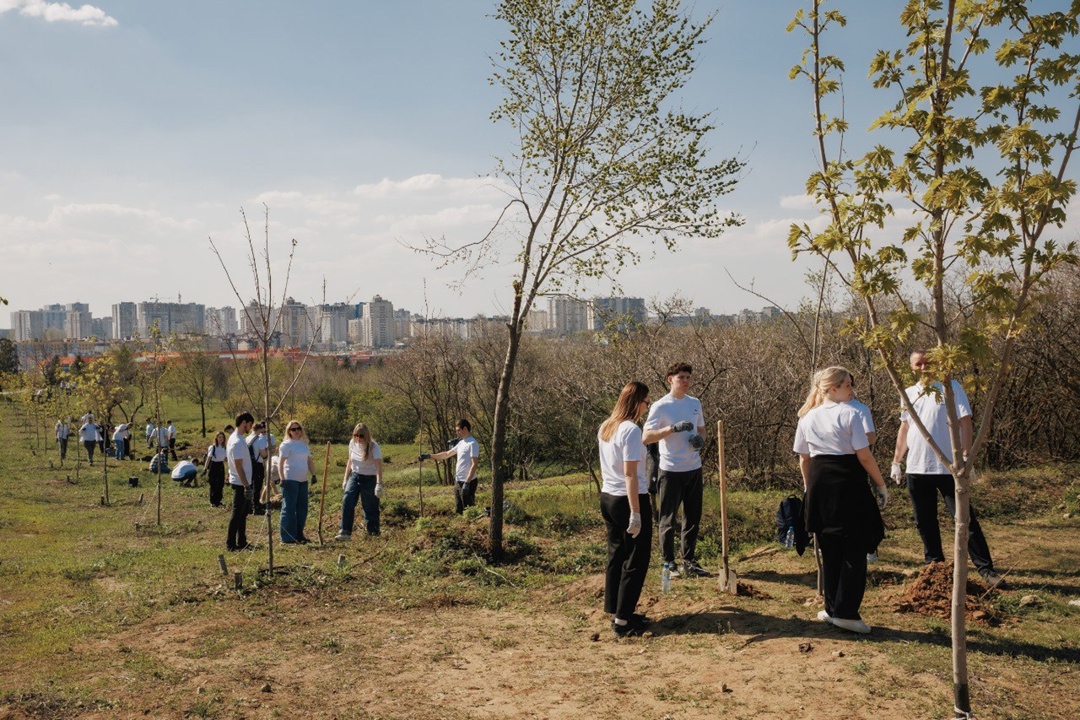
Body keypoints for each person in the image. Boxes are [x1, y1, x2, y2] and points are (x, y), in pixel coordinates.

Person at [891, 350, 1003, 587]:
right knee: (924, 519)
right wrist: (897, 461)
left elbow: (965, 421)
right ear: (912, 367)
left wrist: (966, 456)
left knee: (964, 518)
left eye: (928, 363)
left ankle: (985, 569)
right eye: (919, 364)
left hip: (948, 467)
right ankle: (935, 566)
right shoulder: (908, 393)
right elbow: (904, 429)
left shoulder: (950, 387)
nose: (924, 368)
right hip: (917, 468)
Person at [795, 367, 888, 635]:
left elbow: (804, 458)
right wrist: (881, 484)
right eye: (847, 385)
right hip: (846, 482)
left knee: (830, 547)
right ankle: (845, 612)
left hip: (819, 482)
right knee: (854, 547)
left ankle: (833, 608)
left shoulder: (807, 417)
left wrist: (808, 487)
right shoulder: (850, 413)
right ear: (832, 388)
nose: (851, 390)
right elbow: (864, 455)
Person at [642, 362, 710, 578]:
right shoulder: (661, 406)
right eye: (681, 377)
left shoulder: (695, 403)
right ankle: (669, 562)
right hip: (670, 470)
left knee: (693, 517)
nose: (686, 381)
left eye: (688, 377)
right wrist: (671, 429)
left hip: (693, 467)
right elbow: (646, 437)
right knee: (668, 519)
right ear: (670, 379)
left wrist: (700, 440)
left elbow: (702, 430)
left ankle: (689, 561)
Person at [598, 381, 654, 638]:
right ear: (637, 402)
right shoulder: (630, 430)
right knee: (636, 558)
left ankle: (617, 609)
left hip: (608, 496)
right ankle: (623, 620)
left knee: (617, 553)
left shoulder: (607, 426)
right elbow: (630, 473)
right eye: (646, 402)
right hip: (628, 498)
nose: (647, 407)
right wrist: (636, 512)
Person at [418, 419, 479, 514]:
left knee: (469, 509)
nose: (457, 433)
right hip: (458, 481)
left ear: (465, 428)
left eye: (458, 430)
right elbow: (446, 454)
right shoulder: (462, 443)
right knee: (459, 509)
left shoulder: (473, 444)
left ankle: (472, 526)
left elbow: (474, 464)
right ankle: (461, 526)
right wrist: (429, 456)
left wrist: (467, 483)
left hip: (468, 482)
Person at [337, 422, 384, 540]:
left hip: (369, 478)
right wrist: (345, 479)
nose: (358, 438)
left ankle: (373, 533)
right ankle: (345, 531)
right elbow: (350, 461)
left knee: (370, 506)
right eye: (356, 435)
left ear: (366, 435)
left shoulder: (374, 447)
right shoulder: (352, 443)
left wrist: (379, 484)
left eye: (361, 436)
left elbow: (378, 466)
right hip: (355, 476)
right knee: (347, 500)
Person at [277, 420, 316, 544]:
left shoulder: (304, 445)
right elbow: (281, 463)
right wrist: (282, 478)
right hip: (290, 479)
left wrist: (313, 474)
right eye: (294, 429)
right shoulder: (286, 445)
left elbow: (309, 461)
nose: (297, 431)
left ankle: (299, 535)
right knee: (289, 508)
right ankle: (287, 537)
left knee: (302, 508)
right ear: (289, 431)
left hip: (303, 480)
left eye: (298, 428)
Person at [227, 412, 255, 552]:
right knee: (237, 513)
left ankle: (241, 541)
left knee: (243, 514)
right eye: (250, 424)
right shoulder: (237, 441)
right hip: (240, 482)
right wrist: (246, 486)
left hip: (242, 481)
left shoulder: (237, 438)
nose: (250, 427)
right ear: (244, 423)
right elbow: (238, 465)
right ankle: (231, 543)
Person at [247, 422, 271, 516]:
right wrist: (268, 454)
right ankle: (256, 507)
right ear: (260, 429)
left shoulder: (247, 438)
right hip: (258, 464)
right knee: (257, 486)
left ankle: (248, 506)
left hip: (249, 465)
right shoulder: (260, 439)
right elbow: (263, 454)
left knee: (250, 485)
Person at [205, 431, 228, 508]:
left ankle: (219, 501)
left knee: (220, 484)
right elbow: (209, 458)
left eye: (222, 437)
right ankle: (213, 501)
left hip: (221, 465)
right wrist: (205, 468)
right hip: (213, 465)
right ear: (216, 438)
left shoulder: (224, 447)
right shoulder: (213, 447)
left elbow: (226, 458)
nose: (221, 439)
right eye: (219, 437)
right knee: (213, 483)